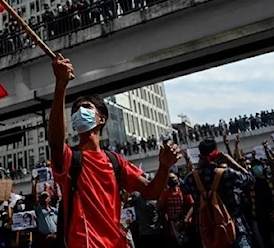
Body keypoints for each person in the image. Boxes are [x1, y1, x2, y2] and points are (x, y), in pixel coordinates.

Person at [49, 54, 181, 248]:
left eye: (86, 107)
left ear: (101, 119)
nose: (79, 113)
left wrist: (164, 167)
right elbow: (55, 141)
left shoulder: (115, 161)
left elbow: (151, 192)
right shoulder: (70, 158)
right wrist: (60, 85)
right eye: (75, 111)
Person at [181, 139, 255, 248]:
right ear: (216, 154)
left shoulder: (192, 178)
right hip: (234, 229)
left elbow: (184, 189)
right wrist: (232, 163)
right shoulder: (226, 173)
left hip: (209, 233)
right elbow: (250, 179)